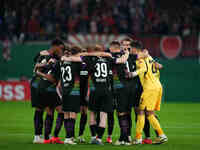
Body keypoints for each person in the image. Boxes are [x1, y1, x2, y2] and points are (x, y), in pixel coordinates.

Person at [61, 44, 130, 145]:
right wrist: (127, 52)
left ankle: (93, 136)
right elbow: (122, 60)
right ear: (102, 50)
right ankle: (99, 138)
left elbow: (75, 58)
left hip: (94, 90)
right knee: (103, 115)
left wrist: (64, 57)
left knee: (92, 113)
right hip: (106, 90)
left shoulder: (88, 59)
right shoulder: (108, 58)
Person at [127, 47, 168, 144]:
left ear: (136, 50)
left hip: (149, 88)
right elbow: (158, 66)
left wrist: (132, 74)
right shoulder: (149, 57)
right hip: (157, 86)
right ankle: (160, 135)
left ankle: (139, 138)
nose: (131, 52)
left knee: (142, 112)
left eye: (132, 50)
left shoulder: (140, 59)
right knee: (149, 113)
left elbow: (143, 68)